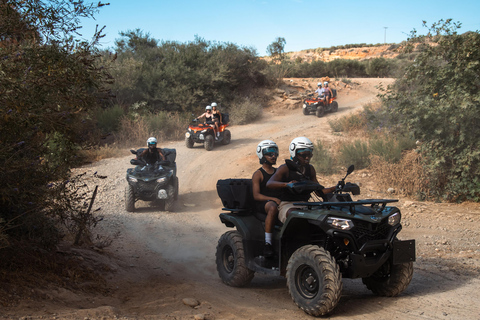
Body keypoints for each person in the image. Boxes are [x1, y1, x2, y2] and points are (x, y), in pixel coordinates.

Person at [267, 137, 336, 223]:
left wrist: (336, 187)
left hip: (306, 204)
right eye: (303, 155)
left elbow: (319, 192)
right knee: (295, 214)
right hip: (287, 204)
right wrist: (287, 184)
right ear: (294, 153)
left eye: (309, 155)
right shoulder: (285, 168)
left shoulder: (310, 169)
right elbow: (269, 183)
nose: (307, 158)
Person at [252, 140, 281, 257]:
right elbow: (256, 195)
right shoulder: (258, 174)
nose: (273, 156)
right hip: (263, 203)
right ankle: (267, 243)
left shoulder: (278, 172)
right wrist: (273, 199)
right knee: (273, 208)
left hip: (276, 200)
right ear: (262, 155)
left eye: (275, 153)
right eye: (270, 153)